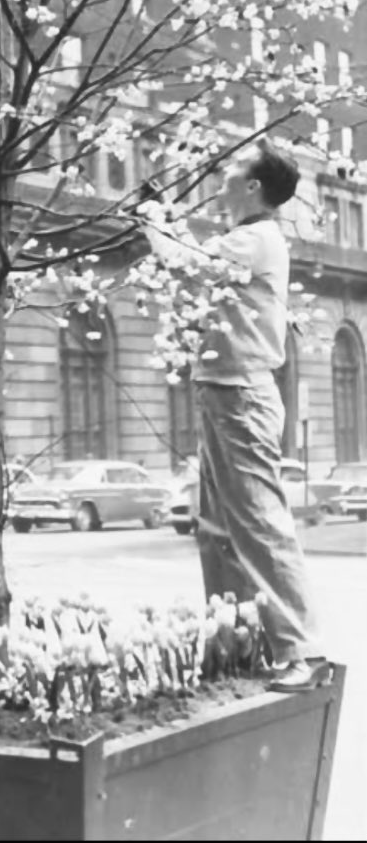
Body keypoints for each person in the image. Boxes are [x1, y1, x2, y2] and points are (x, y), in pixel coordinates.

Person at [144, 138, 328, 693]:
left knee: (259, 525)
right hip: (224, 393)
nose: (222, 173)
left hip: (242, 397)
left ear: (253, 186)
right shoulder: (242, 239)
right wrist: (165, 222)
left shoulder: (258, 239)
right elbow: (198, 264)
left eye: (234, 168)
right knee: (217, 531)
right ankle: (237, 648)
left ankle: (303, 651)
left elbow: (187, 263)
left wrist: (153, 220)